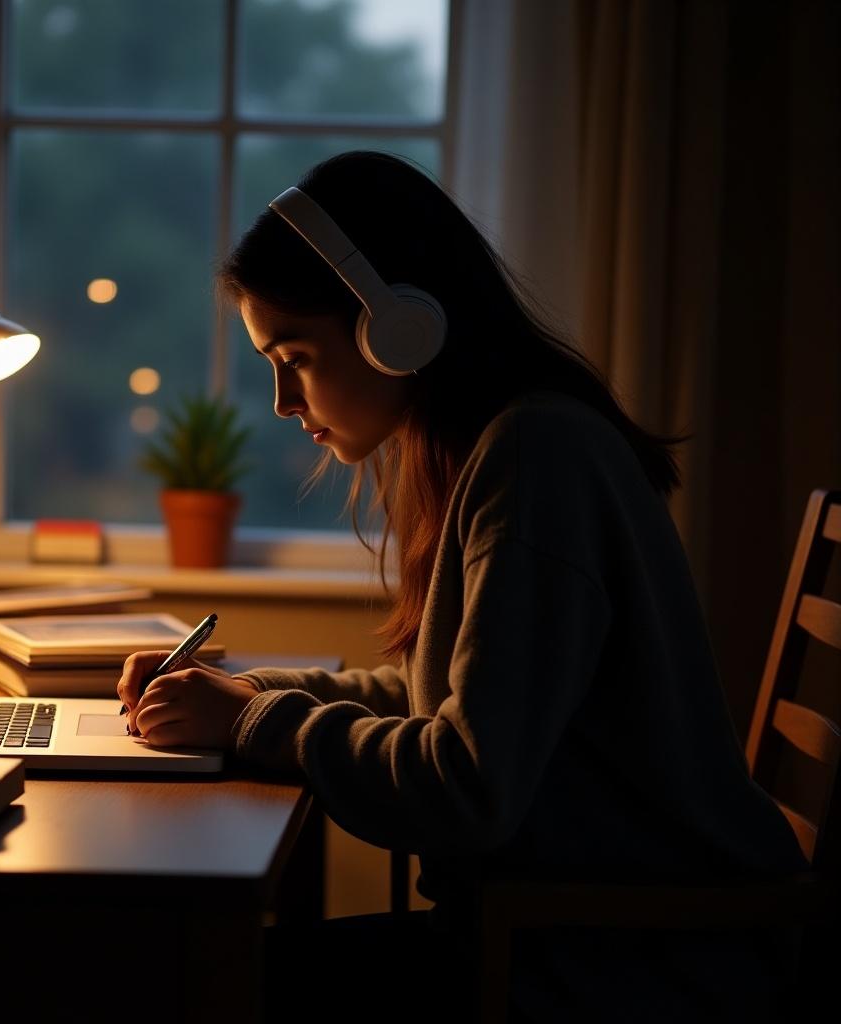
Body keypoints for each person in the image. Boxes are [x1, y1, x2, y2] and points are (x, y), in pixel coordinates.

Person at [118, 151, 806, 1021]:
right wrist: (246, 694)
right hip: (566, 931)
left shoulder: (537, 462)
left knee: (187, 982)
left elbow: (464, 786)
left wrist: (252, 722)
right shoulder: (499, 444)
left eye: (294, 355)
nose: (284, 400)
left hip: (624, 958)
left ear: (394, 324)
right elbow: (435, 701)